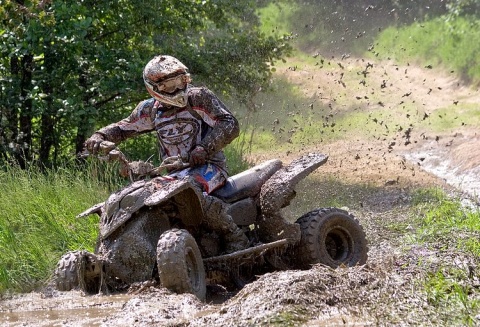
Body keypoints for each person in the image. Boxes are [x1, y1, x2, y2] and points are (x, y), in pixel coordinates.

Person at [85, 55, 248, 253]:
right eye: (168, 85)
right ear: (154, 88)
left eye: (180, 81)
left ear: (186, 79)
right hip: (173, 173)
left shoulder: (198, 97)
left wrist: (204, 148)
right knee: (141, 196)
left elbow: (230, 123)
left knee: (191, 189)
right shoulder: (150, 110)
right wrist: (99, 136)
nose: (176, 89)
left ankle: (234, 235)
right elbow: (123, 128)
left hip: (210, 167)